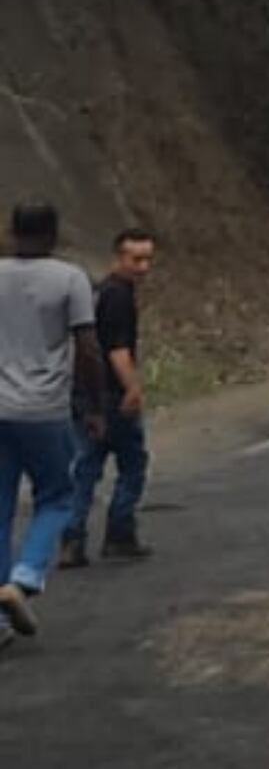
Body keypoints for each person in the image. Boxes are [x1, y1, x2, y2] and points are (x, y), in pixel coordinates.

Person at [0, 202, 107, 652]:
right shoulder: (69, 278)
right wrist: (95, 405)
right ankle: (23, 580)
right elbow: (87, 347)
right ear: (54, 233)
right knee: (57, 496)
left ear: (12, 230)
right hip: (44, 410)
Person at [61, 228, 156, 566]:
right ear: (119, 258)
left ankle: (71, 538)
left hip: (85, 394)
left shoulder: (99, 292)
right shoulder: (118, 296)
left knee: (85, 467)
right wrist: (132, 388)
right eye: (136, 259)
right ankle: (120, 532)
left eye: (147, 259)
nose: (143, 266)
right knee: (132, 464)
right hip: (111, 394)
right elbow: (117, 350)